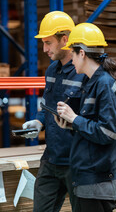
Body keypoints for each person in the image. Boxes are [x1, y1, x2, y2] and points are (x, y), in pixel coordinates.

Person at [54, 23, 116, 212]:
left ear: (81, 53)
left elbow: (108, 132)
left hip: (96, 181)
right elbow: (96, 126)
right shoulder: (92, 82)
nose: (71, 60)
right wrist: (71, 125)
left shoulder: (104, 84)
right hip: (89, 179)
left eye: (72, 54)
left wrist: (75, 119)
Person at [21, 11, 88, 212]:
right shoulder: (51, 71)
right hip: (51, 158)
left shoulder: (84, 73)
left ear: (65, 40)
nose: (44, 49)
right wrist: (39, 122)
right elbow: (47, 106)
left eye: (48, 43)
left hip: (76, 161)